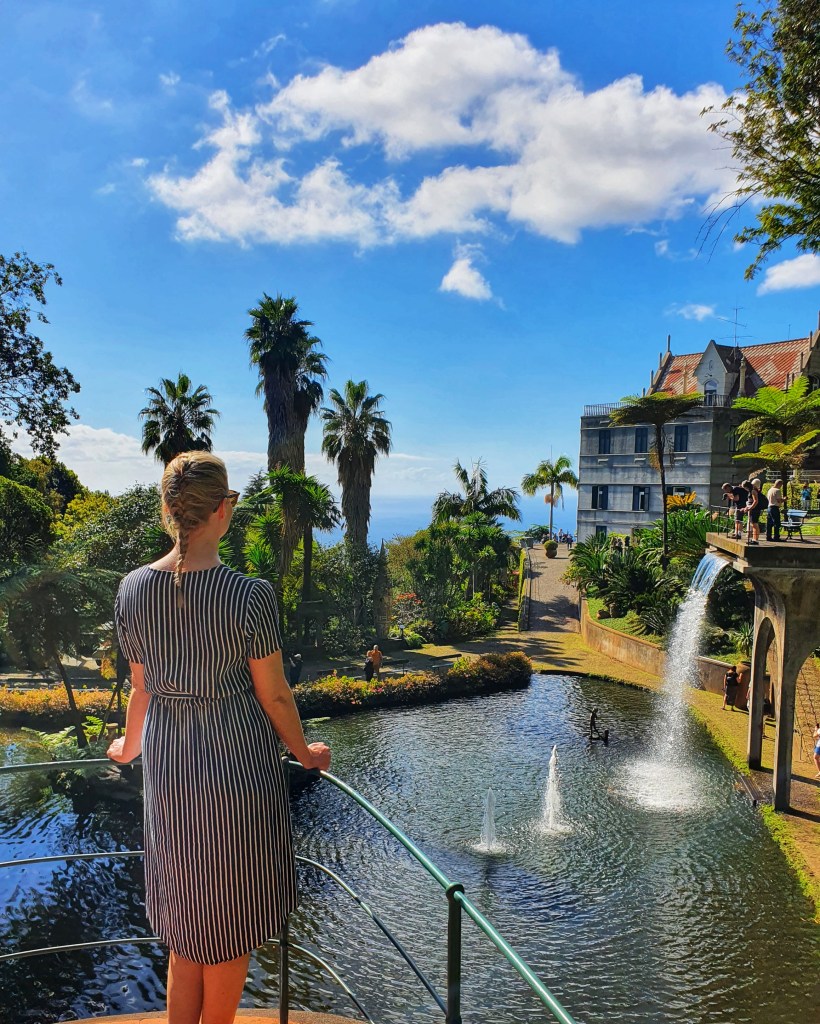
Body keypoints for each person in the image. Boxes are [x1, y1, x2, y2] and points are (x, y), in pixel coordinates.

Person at [107, 452, 331, 1024]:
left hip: (169, 771)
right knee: (229, 926)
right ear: (224, 510)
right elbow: (274, 694)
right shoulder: (248, 595)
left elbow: (141, 690)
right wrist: (305, 754)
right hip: (234, 772)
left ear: (168, 511)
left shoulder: (132, 591)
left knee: (186, 920)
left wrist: (128, 748)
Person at [744, 479, 761, 545]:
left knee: (755, 524)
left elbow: (755, 501)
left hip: (754, 510)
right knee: (753, 524)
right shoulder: (752, 491)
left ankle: (755, 539)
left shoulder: (753, 491)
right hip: (752, 509)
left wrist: (750, 508)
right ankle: (754, 539)